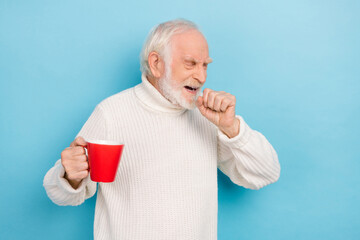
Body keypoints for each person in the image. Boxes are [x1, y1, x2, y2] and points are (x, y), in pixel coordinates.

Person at [43, 19, 280, 240]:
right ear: (156, 64)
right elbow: (61, 195)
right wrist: (70, 176)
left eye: (205, 66)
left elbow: (266, 174)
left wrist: (231, 128)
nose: (201, 76)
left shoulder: (209, 116)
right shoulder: (112, 113)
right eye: (191, 64)